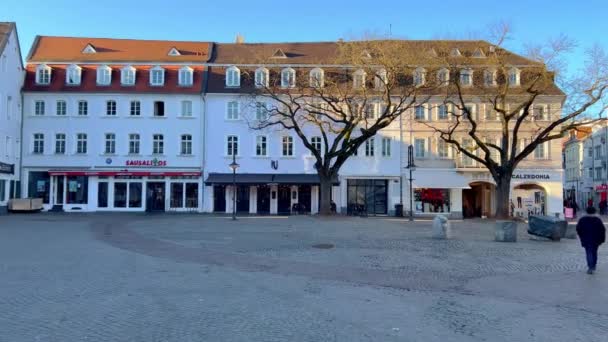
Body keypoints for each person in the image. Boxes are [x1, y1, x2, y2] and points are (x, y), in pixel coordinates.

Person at [576, 207, 606, 274]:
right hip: (596, 240)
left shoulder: (582, 220)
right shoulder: (598, 220)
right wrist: (602, 239)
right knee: (594, 252)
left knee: (588, 253)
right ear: (594, 212)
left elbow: (578, 229)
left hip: (586, 239)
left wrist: (581, 236)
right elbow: (602, 230)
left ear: (586, 212)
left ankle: (590, 267)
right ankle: (594, 265)